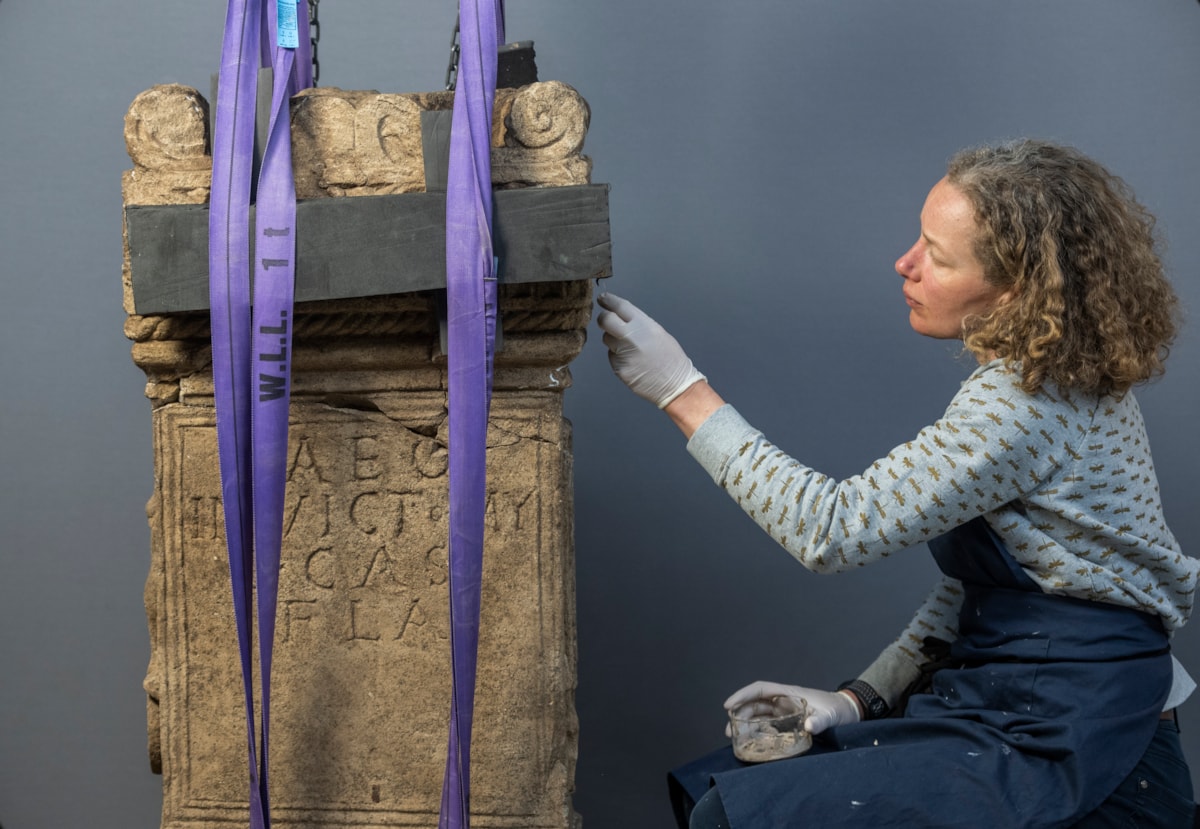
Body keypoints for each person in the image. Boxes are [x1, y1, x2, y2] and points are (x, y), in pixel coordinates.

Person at [595, 139, 1199, 828]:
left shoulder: (1020, 405)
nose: (905, 264)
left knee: (748, 813)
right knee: (732, 792)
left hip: (1072, 724)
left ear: (1018, 290)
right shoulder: (1051, 375)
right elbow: (989, 588)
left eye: (938, 258)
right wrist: (859, 698)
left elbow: (830, 528)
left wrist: (682, 391)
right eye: (920, 239)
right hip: (1027, 695)